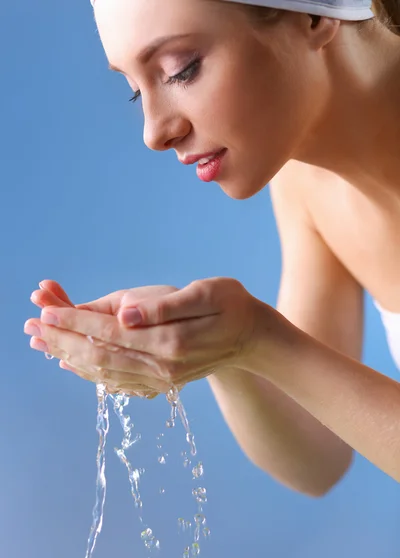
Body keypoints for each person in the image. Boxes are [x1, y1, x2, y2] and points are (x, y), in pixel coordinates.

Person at [24, 0, 400, 497]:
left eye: (182, 70)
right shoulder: (306, 185)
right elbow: (317, 453)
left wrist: (261, 339)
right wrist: (219, 349)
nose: (154, 133)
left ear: (313, 15)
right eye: (136, 93)